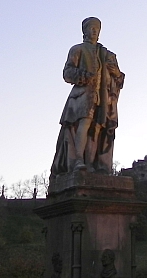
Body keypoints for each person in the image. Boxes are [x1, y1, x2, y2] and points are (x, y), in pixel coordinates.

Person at [51, 17, 124, 176]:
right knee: (83, 124)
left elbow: (119, 78)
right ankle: (78, 160)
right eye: (91, 28)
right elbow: (67, 73)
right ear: (84, 31)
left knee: (96, 130)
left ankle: (90, 164)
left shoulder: (107, 54)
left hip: (102, 98)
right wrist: (84, 76)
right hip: (82, 96)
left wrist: (116, 72)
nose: (94, 31)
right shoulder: (77, 49)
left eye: (97, 29)